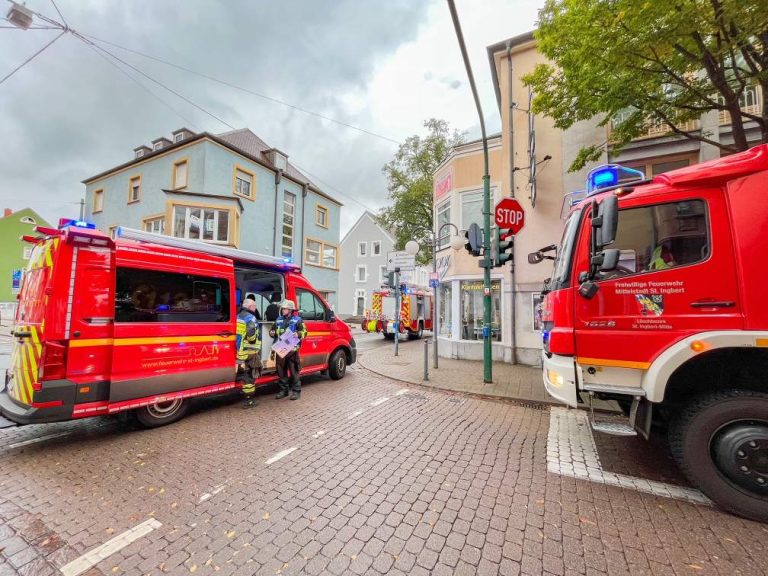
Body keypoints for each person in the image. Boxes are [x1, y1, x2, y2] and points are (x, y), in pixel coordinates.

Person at [269, 299, 307, 401]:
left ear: (290, 310)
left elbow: (304, 332)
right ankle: (283, 391)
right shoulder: (278, 319)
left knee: (294, 372)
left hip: (292, 351)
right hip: (281, 350)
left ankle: (296, 392)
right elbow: (272, 331)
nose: (282, 310)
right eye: (282, 308)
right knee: (281, 372)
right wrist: (271, 333)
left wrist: (298, 334)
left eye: (284, 309)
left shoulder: (298, 320)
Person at [236, 298, 262, 408]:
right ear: (250, 306)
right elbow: (251, 333)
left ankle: (247, 397)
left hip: (241, 351)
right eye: (254, 306)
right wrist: (252, 340)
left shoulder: (238, 316)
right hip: (250, 351)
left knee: (245, 374)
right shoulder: (251, 317)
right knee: (252, 375)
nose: (255, 308)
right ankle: (249, 400)